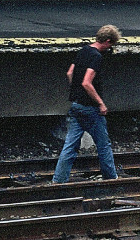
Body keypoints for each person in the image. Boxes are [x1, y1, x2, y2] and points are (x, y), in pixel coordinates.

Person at [52, 25, 122, 183]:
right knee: (103, 145)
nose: (110, 48)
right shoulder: (97, 56)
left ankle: (58, 181)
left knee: (70, 146)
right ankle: (111, 179)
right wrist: (101, 103)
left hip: (76, 106)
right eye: (111, 45)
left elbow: (70, 73)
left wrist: (76, 91)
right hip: (90, 109)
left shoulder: (83, 50)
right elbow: (86, 83)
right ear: (108, 41)